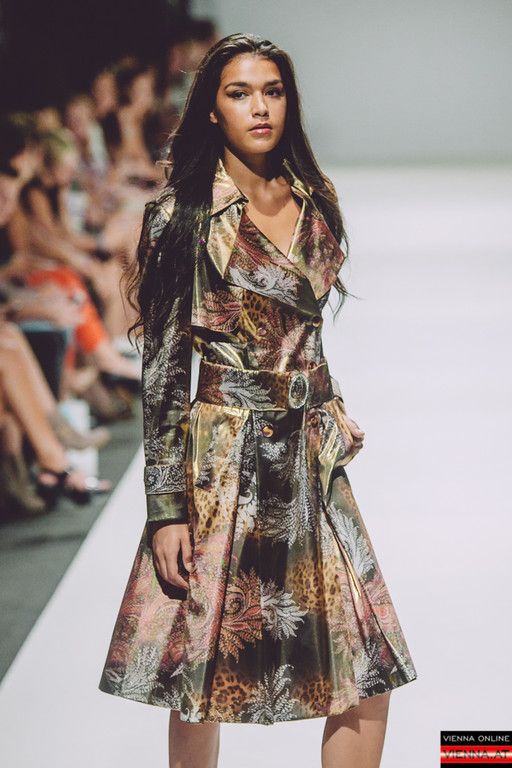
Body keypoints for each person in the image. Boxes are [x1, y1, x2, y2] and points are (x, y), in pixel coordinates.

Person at [98, 33, 418, 768]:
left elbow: (304, 331)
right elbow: (163, 373)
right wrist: (165, 509)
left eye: (272, 91)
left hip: (309, 457)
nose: (260, 107)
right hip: (223, 463)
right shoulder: (182, 216)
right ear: (211, 110)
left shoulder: (314, 201)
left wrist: (329, 401)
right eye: (239, 93)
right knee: (199, 671)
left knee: (368, 661)